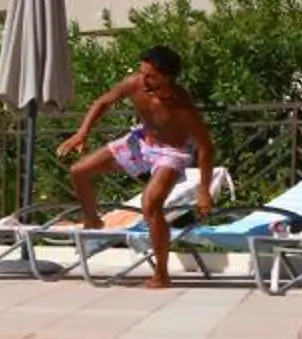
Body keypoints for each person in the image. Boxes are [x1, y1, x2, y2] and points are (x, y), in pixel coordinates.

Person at [56, 45, 217, 290]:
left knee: (150, 204)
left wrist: (203, 190)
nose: (144, 80)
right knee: (79, 170)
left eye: (151, 76)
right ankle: (93, 220)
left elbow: (206, 147)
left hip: (171, 152)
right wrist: (82, 133)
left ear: (167, 77)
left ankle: (161, 275)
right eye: (142, 73)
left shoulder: (182, 106)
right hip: (141, 142)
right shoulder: (134, 84)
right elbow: (102, 102)